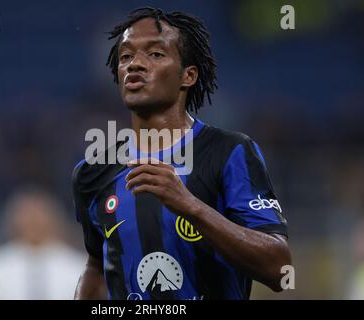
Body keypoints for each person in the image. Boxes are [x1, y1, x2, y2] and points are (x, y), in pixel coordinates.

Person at [73, 7, 291, 300]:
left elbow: (280, 269)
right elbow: (96, 267)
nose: (135, 64)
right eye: (126, 57)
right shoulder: (93, 171)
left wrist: (189, 204)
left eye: (155, 54)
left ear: (187, 76)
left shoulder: (230, 152)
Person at [0, 188, 85, 299]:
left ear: (55, 219)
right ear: (12, 221)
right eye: (26, 214)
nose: (33, 220)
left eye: (40, 214)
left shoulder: (79, 267)